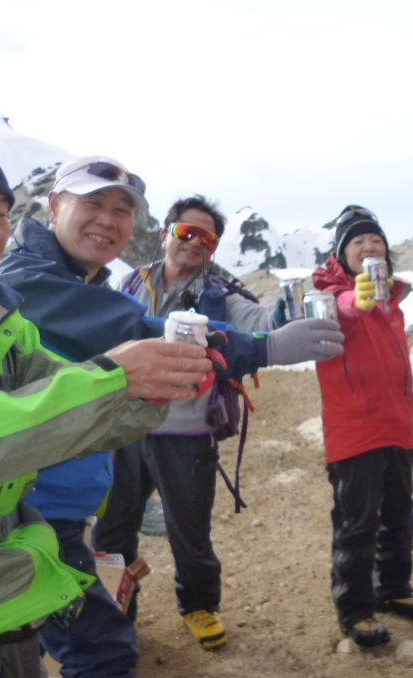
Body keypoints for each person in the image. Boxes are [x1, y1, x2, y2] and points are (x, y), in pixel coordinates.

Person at [0, 156, 341, 678]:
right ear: (52, 208)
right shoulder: (46, 279)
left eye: (121, 210)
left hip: (115, 469)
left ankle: (192, 608)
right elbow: (126, 329)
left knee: (181, 532)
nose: (107, 220)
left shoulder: (110, 279)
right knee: (96, 647)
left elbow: (237, 318)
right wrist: (260, 350)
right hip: (27, 510)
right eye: (91, 205)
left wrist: (267, 334)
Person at [0, 136, 211, 678]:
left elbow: (63, 392)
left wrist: (149, 390)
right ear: (53, 208)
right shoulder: (28, 289)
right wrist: (118, 376)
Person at [94, 194, 288, 651]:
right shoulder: (130, 283)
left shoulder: (221, 292)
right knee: (113, 529)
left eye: (207, 237)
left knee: (189, 529)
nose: (195, 242)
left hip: (186, 431)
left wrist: (287, 314)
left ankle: (199, 606)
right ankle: (118, 609)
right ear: (166, 234)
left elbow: (258, 320)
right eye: (186, 231)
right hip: (124, 429)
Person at [311, 205, 413, 647]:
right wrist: (354, 300)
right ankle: (355, 609)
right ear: (341, 254)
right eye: (357, 241)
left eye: (375, 240)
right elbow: (341, 309)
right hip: (354, 431)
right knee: (357, 524)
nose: (368, 247)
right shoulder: (328, 295)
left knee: (399, 515)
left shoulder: (392, 299)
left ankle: (394, 588)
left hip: (397, 425)